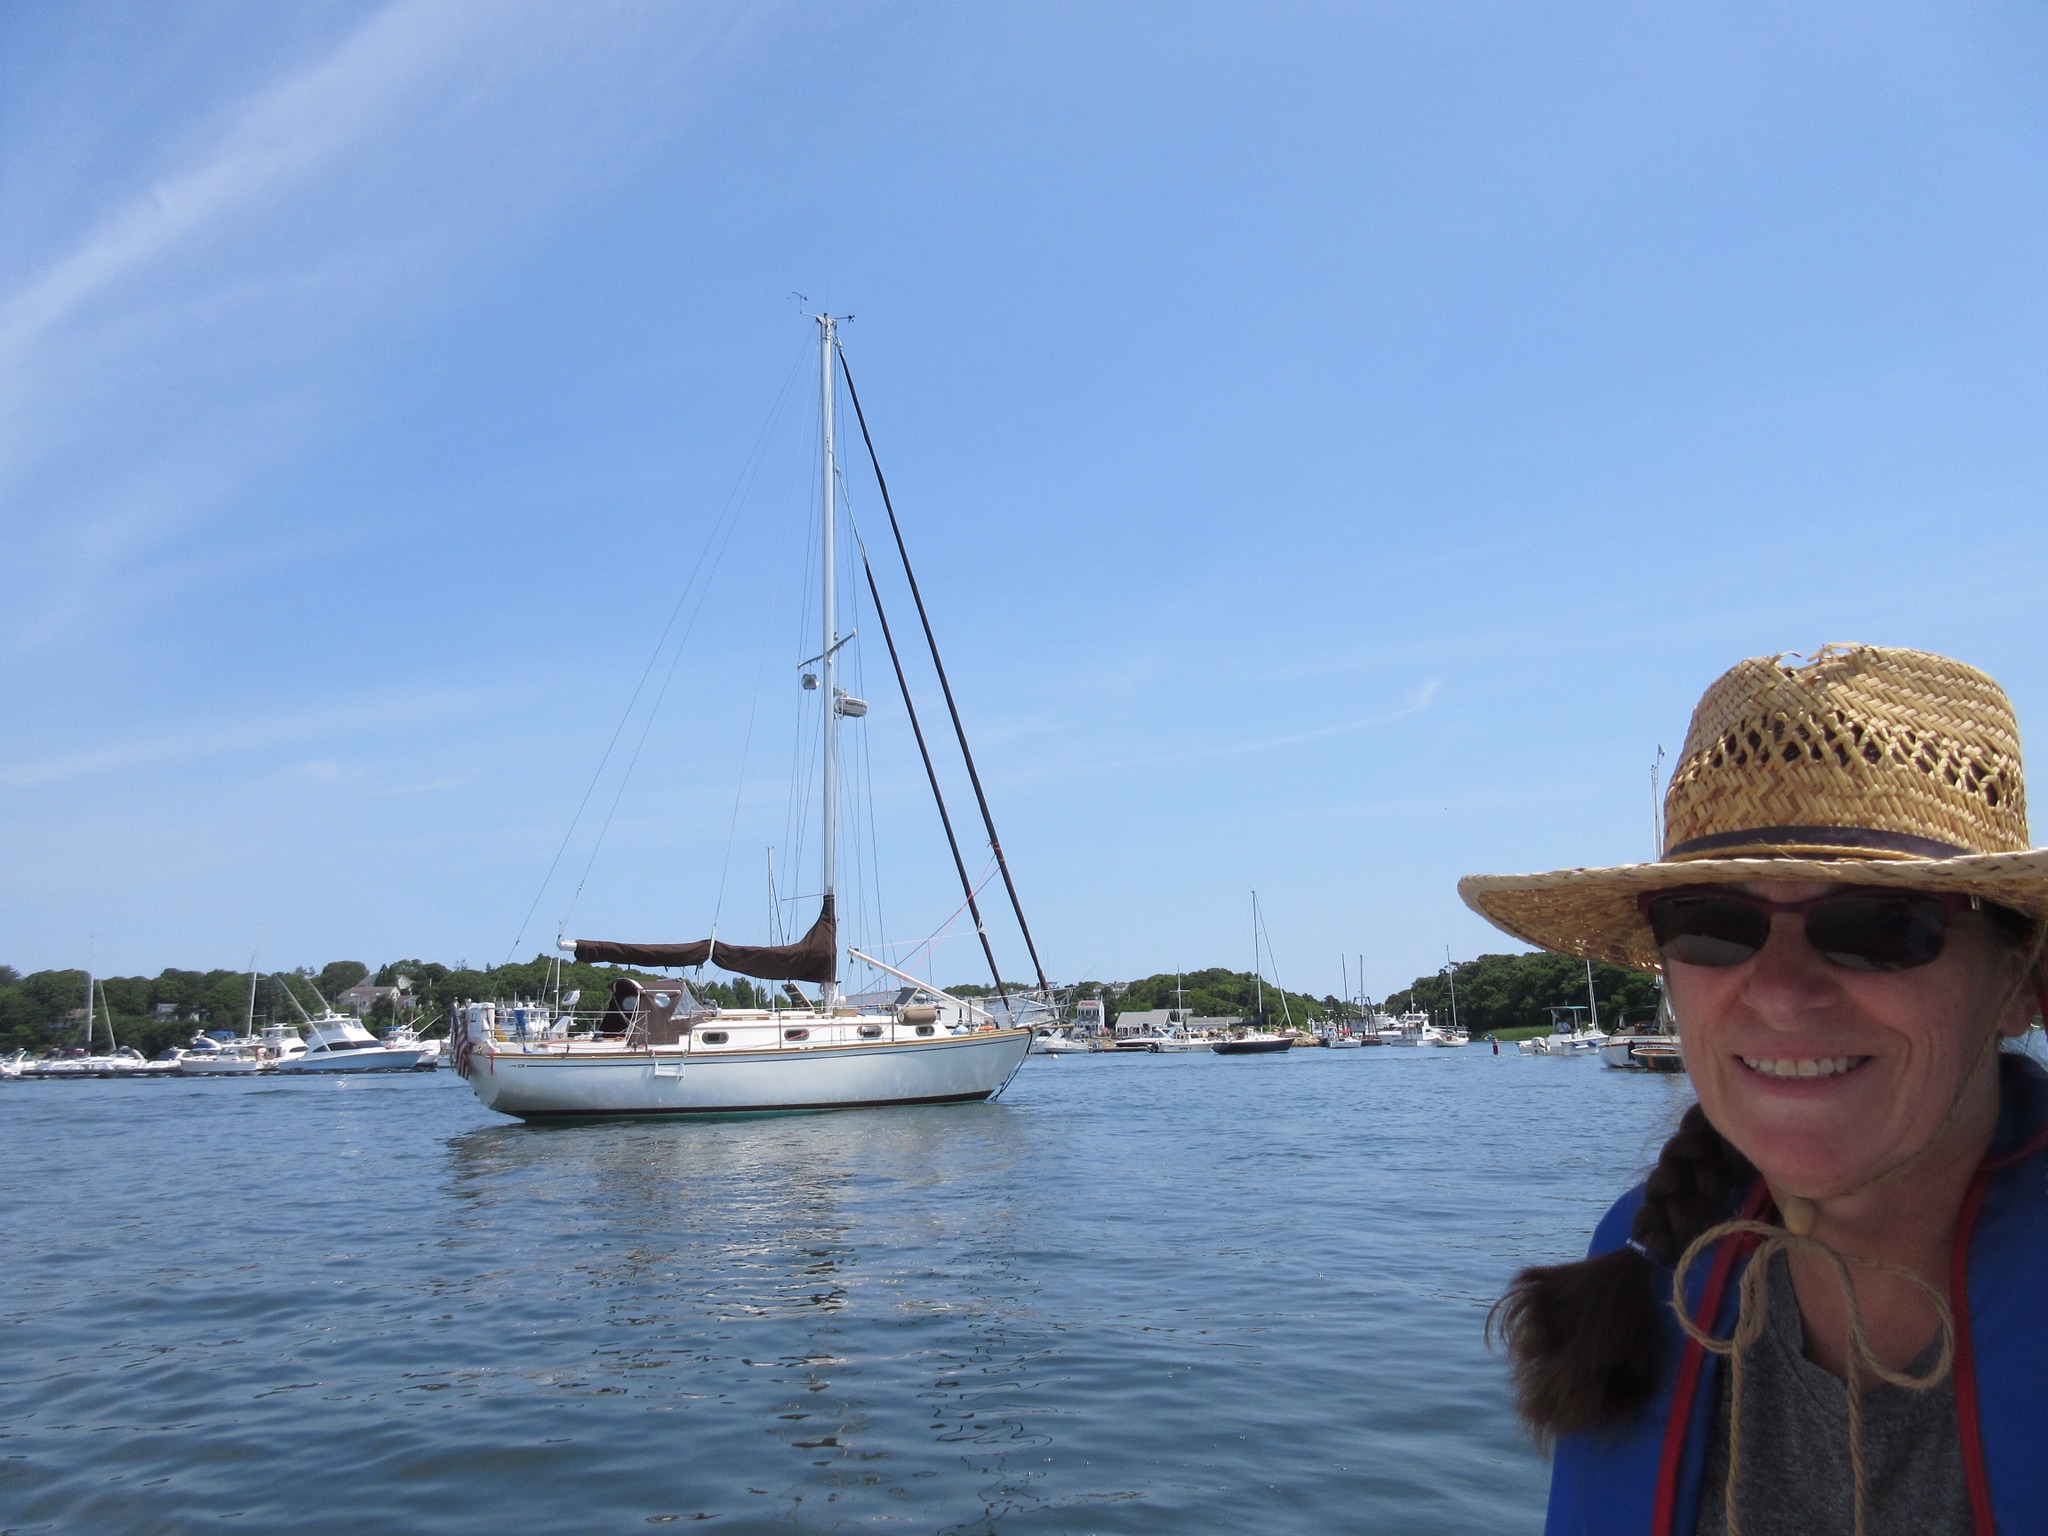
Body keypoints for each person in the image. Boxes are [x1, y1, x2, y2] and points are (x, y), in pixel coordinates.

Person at [1460, 645, 2048, 1536]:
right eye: (1711, 923)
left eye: (1880, 926)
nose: (1779, 991)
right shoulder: (1647, 1257)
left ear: (2022, 983)